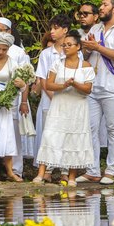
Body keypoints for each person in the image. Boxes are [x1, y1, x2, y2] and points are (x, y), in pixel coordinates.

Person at [78, 0, 114, 185]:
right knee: (91, 129)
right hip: (93, 86)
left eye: (104, 5)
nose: (100, 8)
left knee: (113, 128)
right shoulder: (95, 27)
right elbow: (86, 56)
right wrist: (86, 48)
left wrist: (98, 47)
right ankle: (92, 170)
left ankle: (111, 170)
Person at [33, 32, 95, 184]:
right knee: (51, 135)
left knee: (74, 138)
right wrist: (64, 85)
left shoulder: (86, 66)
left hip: (77, 107)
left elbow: (88, 89)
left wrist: (75, 84)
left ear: (78, 47)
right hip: (59, 105)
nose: (66, 47)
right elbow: (49, 84)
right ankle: (41, 174)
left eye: (69, 45)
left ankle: (71, 176)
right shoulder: (57, 64)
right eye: (64, 45)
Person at [0, 32, 30, 181]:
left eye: (4, 49)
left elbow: (22, 85)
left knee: (5, 134)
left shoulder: (13, 63)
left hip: (3, 101)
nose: (0, 52)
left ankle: (10, 171)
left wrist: (22, 86)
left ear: (8, 49)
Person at [33, 14, 73, 182]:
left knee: (66, 134)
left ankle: (64, 171)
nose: (52, 32)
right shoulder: (46, 54)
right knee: (48, 134)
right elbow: (42, 79)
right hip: (49, 100)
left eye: (56, 28)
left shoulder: (72, 53)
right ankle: (47, 170)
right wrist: (54, 97)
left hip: (68, 100)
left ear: (65, 30)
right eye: (51, 28)